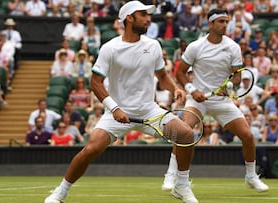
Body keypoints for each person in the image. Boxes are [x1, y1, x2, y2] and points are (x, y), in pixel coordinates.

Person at [44, 2, 198, 203]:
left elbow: (162, 76)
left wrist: (175, 88)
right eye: (143, 14)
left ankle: (181, 186)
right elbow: (95, 83)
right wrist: (114, 108)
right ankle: (60, 192)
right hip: (115, 113)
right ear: (129, 18)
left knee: (185, 134)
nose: (148, 18)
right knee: (91, 149)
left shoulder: (153, 45)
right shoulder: (110, 48)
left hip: (149, 111)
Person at [161, 8, 269, 195]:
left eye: (226, 21)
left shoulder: (233, 47)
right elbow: (180, 72)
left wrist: (231, 86)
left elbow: (236, 76)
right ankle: (171, 175)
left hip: (221, 100)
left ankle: (251, 177)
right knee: (184, 132)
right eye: (220, 21)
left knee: (248, 136)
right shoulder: (196, 46)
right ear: (210, 24)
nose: (225, 25)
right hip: (197, 100)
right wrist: (192, 91)